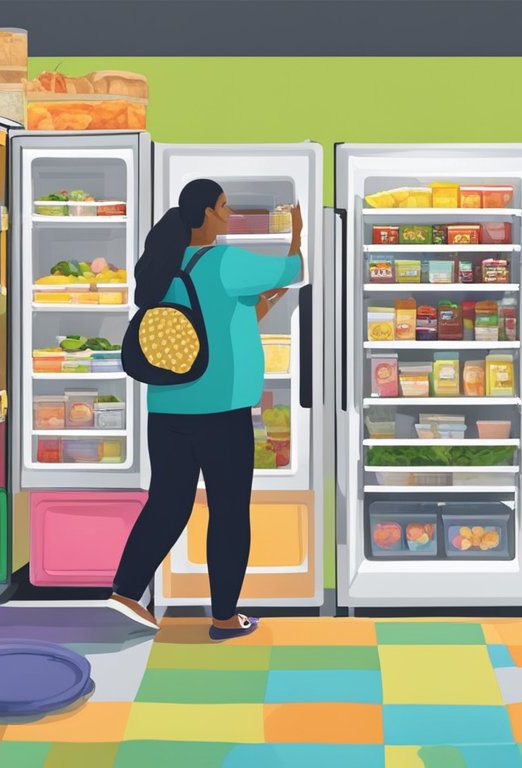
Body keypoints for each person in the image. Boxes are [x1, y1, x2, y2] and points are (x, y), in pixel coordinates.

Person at [107, 179, 301, 641]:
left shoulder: (162, 265)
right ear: (206, 214)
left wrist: (259, 309)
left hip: (168, 410)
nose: (229, 214)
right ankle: (225, 617)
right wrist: (297, 233)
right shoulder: (226, 260)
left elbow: (203, 322)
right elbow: (292, 269)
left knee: (167, 505)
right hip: (222, 411)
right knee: (229, 513)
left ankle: (126, 591)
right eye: (224, 207)